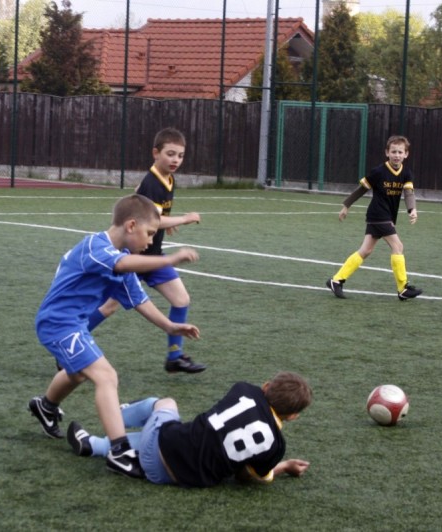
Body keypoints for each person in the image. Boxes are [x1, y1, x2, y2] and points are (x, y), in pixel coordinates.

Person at [28, 193, 201, 479]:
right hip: (58, 324)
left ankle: (45, 406)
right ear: (131, 225)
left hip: (73, 324)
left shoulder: (121, 262)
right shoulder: (96, 248)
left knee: (78, 373)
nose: (151, 242)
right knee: (106, 376)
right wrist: (169, 259)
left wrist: (170, 326)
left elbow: (139, 300)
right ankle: (119, 452)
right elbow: (121, 265)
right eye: (149, 233)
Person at [88, 127, 206, 374]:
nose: (175, 160)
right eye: (170, 154)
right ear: (155, 153)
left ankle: (175, 357)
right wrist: (183, 219)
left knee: (181, 300)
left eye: (180, 156)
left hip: (153, 256)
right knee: (109, 307)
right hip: (133, 258)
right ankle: (69, 345)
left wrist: (167, 223)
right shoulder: (152, 182)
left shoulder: (168, 179)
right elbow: (149, 220)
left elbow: (156, 215)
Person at [65, 371, 313, 487]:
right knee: (166, 436)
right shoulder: (276, 447)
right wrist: (284, 466)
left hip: (166, 444)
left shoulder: (244, 389)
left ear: (266, 386)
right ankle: (92, 445)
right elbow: (245, 476)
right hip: (173, 478)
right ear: (293, 416)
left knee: (164, 403)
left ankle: (113, 415)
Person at [326, 135, 423, 301]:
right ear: (387, 152)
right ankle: (403, 288)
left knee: (365, 251)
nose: (397, 155)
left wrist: (412, 209)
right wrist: (346, 205)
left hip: (384, 216)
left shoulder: (406, 173)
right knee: (398, 246)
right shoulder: (378, 171)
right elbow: (361, 189)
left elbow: (408, 193)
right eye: (393, 151)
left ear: (406, 154)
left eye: (400, 152)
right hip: (378, 214)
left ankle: (337, 280)